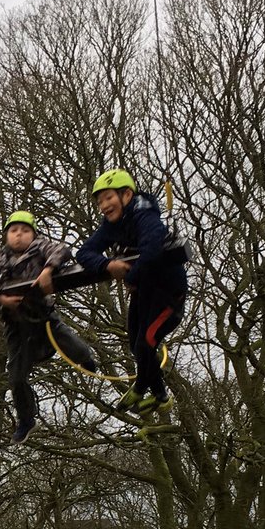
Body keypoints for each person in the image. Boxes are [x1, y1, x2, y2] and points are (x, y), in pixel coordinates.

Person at [0, 210, 97, 443]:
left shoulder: (40, 247)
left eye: (25, 231)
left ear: (33, 233)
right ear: (7, 235)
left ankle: (87, 360)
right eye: (14, 231)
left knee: (74, 347)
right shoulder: (1, 257)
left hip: (43, 316)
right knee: (16, 378)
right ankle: (26, 419)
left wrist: (48, 270)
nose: (19, 235)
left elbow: (62, 250)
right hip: (16, 323)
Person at [76, 169, 188, 416]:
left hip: (168, 294)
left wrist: (131, 278)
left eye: (108, 198)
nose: (103, 206)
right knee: (135, 344)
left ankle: (152, 392)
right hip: (145, 292)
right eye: (99, 201)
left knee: (146, 342)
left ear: (126, 195)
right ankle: (154, 392)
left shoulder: (144, 215)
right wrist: (108, 265)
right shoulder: (111, 226)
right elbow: (84, 253)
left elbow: (152, 248)